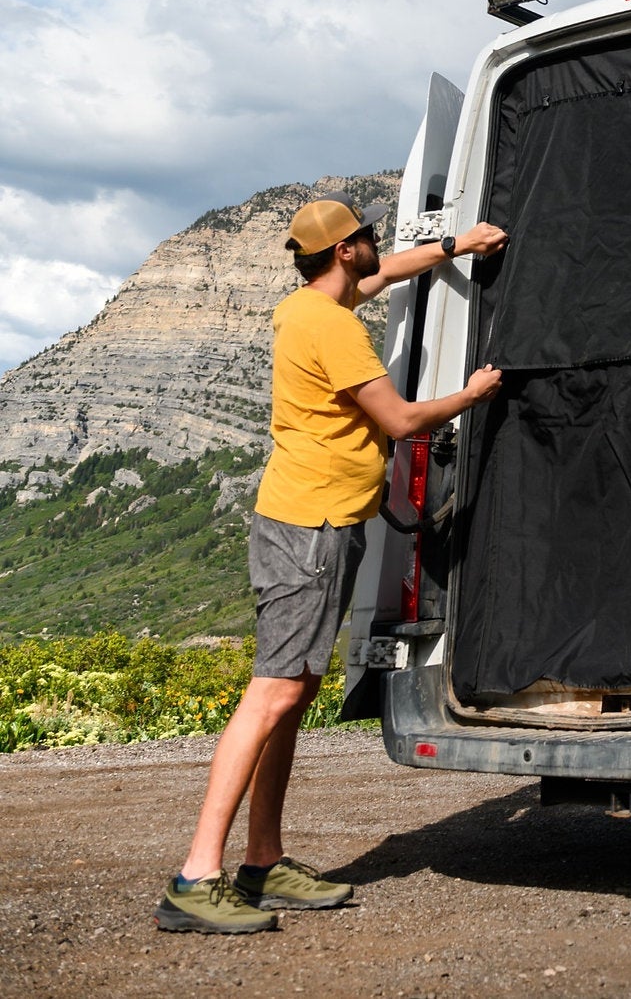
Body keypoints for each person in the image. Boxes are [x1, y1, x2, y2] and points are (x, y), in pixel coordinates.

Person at [155, 197, 507, 934]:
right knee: (274, 693)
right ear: (345, 250)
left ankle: (263, 859)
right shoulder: (334, 329)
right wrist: (473, 394)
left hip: (317, 520)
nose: (380, 239)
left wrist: (455, 244)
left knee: (296, 688)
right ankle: (196, 875)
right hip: (310, 528)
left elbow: (387, 276)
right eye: (369, 234)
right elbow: (403, 421)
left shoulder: (307, 307)